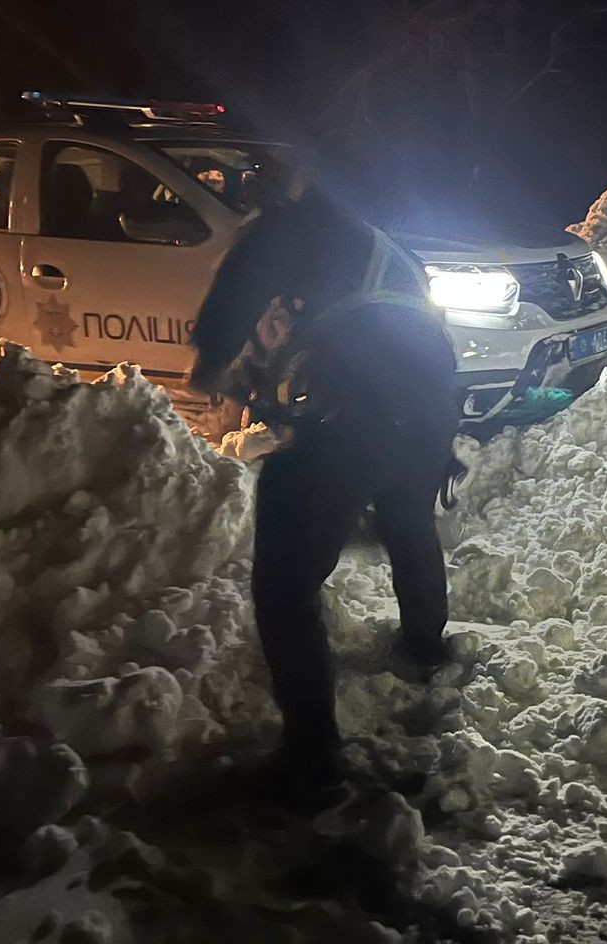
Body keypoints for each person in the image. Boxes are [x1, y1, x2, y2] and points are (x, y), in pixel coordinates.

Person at [188, 157, 459, 793]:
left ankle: (311, 757)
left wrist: (210, 369)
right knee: (406, 515)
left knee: (284, 582)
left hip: (357, 416)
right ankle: (424, 644)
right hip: (428, 413)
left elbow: (234, 294)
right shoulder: (381, 244)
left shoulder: (292, 229)